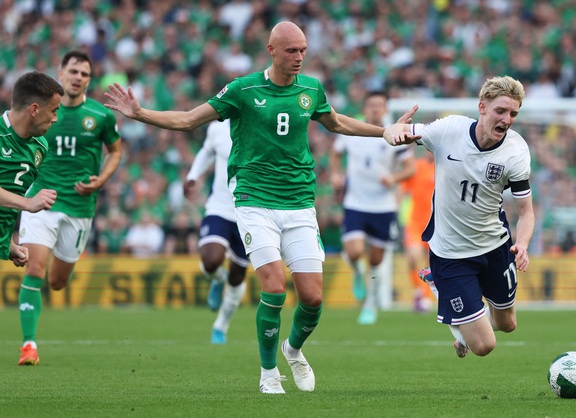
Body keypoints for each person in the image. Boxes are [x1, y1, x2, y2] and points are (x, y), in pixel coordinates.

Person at [105, 21, 417, 394]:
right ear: (271, 50)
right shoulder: (242, 89)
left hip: (300, 203)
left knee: (314, 299)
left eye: (303, 50)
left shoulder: (311, 89)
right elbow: (188, 120)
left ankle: (293, 350)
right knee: (273, 287)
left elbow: (336, 123)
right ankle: (269, 372)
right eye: (291, 50)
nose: (299, 57)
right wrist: (140, 114)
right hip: (254, 201)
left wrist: (381, 131)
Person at [383, 76, 534, 359]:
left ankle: (469, 322)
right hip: (451, 253)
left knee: (508, 324)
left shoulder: (516, 151)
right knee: (484, 346)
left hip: (495, 246)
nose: (507, 119)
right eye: (501, 111)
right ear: (482, 107)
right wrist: (392, 131)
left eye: (513, 113)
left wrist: (522, 244)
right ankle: (441, 287)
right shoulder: (449, 130)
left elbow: (526, 212)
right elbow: (400, 130)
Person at [17, 51, 122, 366]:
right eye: (73, 71)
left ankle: (45, 294)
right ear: (60, 73)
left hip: (80, 206)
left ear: (89, 80)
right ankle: (29, 345)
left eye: (85, 74)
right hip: (41, 201)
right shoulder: (43, 111)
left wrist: (101, 180)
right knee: (34, 268)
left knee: (57, 281)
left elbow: (115, 151)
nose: (78, 77)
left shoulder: (100, 116)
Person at [329, 91, 415, 325]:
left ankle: (370, 305)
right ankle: (357, 272)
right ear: (365, 108)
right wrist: (336, 174)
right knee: (355, 252)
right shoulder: (352, 131)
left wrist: (394, 178)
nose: (376, 109)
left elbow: (410, 168)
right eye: (372, 105)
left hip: (384, 206)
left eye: (380, 105)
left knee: (376, 261)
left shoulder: (394, 134)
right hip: (355, 204)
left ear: (386, 109)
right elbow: (335, 154)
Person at [182, 119, 250, 345]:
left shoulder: (265, 122)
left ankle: (221, 325)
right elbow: (206, 151)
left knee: (237, 276)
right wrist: (193, 175)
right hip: (220, 207)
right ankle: (216, 278)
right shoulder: (218, 128)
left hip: (252, 213)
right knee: (211, 260)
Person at [0, 71, 62, 268]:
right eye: (54, 110)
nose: (55, 119)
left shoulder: (40, 147)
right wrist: (27, 203)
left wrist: (7, 245)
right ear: (34, 109)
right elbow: (21, 200)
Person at [399, 150, 436, 313]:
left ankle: (425, 296)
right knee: (413, 257)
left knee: (431, 263)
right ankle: (419, 292)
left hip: (436, 223)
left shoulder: (444, 167)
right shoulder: (415, 167)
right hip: (415, 222)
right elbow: (402, 190)